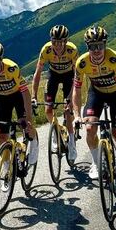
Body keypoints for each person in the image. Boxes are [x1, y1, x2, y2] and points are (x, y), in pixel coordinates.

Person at [72, 25, 116, 181]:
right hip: (96, 93)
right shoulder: (81, 63)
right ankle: (96, 163)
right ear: (87, 47)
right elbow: (76, 89)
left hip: (114, 94)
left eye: (100, 46)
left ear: (105, 45)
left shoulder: (114, 59)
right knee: (90, 128)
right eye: (92, 46)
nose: (97, 50)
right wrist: (76, 115)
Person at [0, 41, 36, 191]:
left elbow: (25, 92)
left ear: (1, 60)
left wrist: (28, 118)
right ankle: (7, 169)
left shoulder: (11, 68)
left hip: (18, 97)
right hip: (1, 99)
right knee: (2, 136)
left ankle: (33, 144)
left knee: (25, 125)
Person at [32, 25, 78, 161]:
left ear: (66, 41)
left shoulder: (72, 50)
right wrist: (34, 96)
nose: (57, 45)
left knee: (68, 110)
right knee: (48, 109)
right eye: (54, 42)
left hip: (69, 76)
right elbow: (37, 73)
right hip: (53, 75)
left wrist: (70, 97)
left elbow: (77, 75)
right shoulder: (46, 50)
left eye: (61, 42)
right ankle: (55, 131)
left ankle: (71, 141)